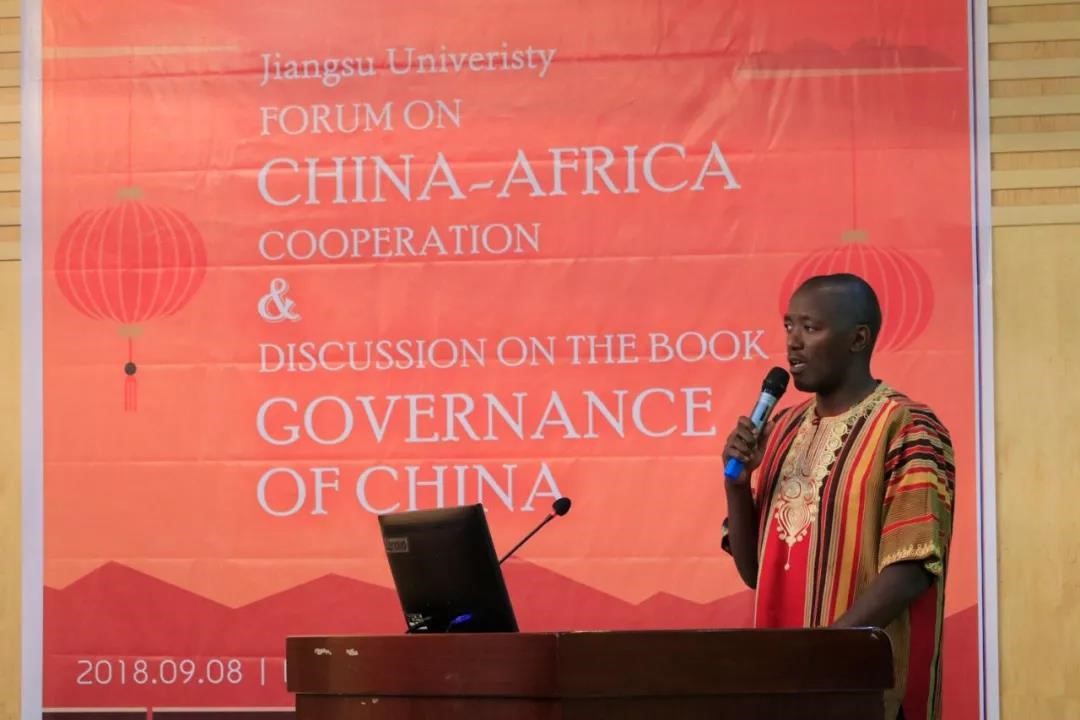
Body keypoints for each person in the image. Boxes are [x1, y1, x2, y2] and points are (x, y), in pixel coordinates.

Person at [721, 273, 955, 720]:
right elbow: (756, 573)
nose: (793, 342)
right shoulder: (782, 429)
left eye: (810, 328)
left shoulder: (908, 427)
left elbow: (912, 568)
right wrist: (737, 484)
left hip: (863, 688)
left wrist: (826, 651)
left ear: (858, 339)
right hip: (783, 687)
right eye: (789, 326)